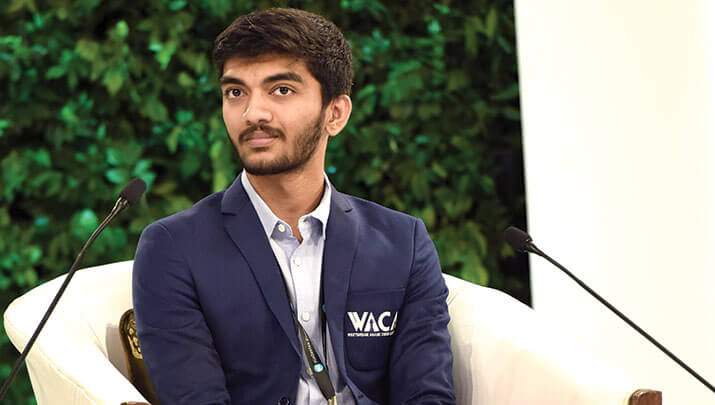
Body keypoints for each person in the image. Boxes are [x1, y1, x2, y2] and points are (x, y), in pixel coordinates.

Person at [133, 8, 455, 405]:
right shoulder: (174, 247)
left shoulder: (403, 241)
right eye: (236, 92)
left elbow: (428, 394)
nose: (253, 113)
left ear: (335, 114)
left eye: (281, 90)